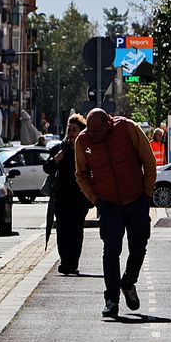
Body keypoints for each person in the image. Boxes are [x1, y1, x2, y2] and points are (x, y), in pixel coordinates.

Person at [73, 108, 156, 319]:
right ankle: (111, 300)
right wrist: (95, 199)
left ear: (108, 123)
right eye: (89, 131)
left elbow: (148, 160)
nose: (93, 135)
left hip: (136, 199)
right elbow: (81, 174)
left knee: (139, 246)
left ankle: (128, 283)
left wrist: (147, 193)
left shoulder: (127, 128)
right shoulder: (83, 141)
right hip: (108, 204)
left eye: (97, 131)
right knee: (111, 250)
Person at [44, 113, 94, 275]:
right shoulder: (60, 148)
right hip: (62, 196)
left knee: (76, 230)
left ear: (81, 131)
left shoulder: (86, 149)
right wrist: (57, 159)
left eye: (74, 129)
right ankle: (65, 261)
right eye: (69, 129)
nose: (71, 132)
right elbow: (47, 168)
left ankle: (73, 262)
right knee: (62, 230)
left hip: (79, 198)